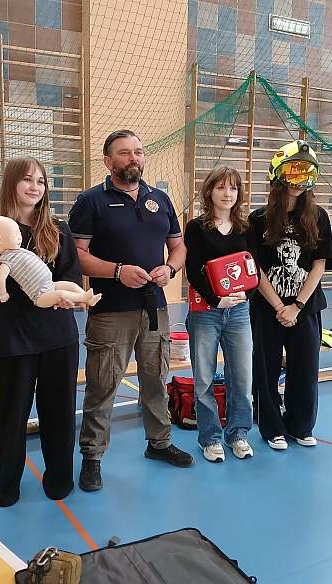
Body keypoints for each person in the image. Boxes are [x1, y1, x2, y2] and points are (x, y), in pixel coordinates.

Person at [68, 129, 193, 492]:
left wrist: (170, 268)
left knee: (156, 379)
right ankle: (92, 457)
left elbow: (179, 247)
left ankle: (160, 443)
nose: (133, 158)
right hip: (110, 311)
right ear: (108, 161)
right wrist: (117, 272)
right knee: (103, 385)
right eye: (124, 153)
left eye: (138, 151)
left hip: (155, 308)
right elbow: (77, 256)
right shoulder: (90, 202)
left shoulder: (160, 199)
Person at [0, 157, 82, 506]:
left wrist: (69, 298)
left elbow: (71, 281)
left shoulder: (58, 229)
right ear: (11, 183)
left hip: (58, 339)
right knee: (11, 417)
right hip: (12, 340)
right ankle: (5, 485)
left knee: (59, 414)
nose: (35, 187)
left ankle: (60, 478)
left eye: (40, 181)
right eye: (27, 179)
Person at [249, 140, 332, 451]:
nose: (299, 180)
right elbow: (256, 268)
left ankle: (300, 425)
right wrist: (279, 306)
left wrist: (297, 306)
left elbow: (319, 264)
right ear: (278, 173)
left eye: (306, 173)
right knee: (266, 370)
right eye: (293, 171)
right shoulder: (258, 219)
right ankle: (272, 428)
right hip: (267, 309)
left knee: (305, 369)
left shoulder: (318, 216)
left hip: (305, 308)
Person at [184, 166, 257, 462]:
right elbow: (193, 270)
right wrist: (217, 300)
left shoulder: (246, 229)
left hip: (239, 313)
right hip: (206, 313)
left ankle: (238, 434)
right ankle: (210, 438)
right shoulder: (196, 228)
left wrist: (245, 295)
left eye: (233, 188)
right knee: (203, 380)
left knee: (242, 377)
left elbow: (253, 269)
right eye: (221, 187)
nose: (228, 193)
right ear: (210, 191)